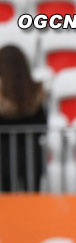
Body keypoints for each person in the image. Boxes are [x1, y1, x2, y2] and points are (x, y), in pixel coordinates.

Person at [0, 44, 46, 192]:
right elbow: (42, 127)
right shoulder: (36, 93)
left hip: (4, 159)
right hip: (32, 158)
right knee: (32, 205)